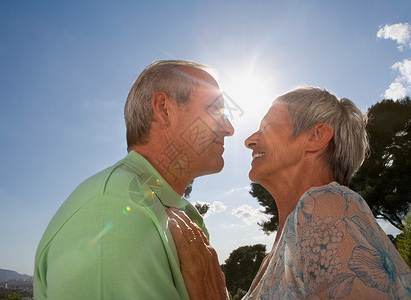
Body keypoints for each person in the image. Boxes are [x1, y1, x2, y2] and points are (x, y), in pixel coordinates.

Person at [168, 87, 411, 300]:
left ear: (316, 136)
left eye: (268, 126)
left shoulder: (328, 204)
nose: (250, 141)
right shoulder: (284, 244)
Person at [33, 60, 234, 299]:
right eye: (215, 110)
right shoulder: (113, 208)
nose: (229, 128)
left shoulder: (164, 207)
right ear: (164, 108)